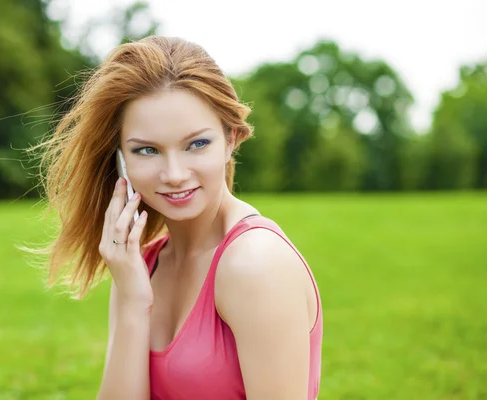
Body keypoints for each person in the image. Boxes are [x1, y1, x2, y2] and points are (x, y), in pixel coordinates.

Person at [35, 35, 322, 400]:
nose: (173, 173)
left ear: (231, 138)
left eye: (197, 144)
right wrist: (134, 301)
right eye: (147, 150)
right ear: (121, 156)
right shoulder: (142, 265)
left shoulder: (255, 264)